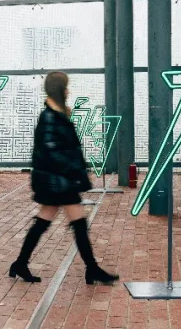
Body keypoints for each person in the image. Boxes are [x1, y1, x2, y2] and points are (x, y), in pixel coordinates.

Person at [8, 72, 120, 285]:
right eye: (66, 87)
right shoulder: (50, 117)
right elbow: (51, 151)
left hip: (57, 180)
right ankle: (92, 269)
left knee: (46, 222)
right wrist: (74, 170)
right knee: (76, 223)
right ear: (59, 90)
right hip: (58, 180)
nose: (68, 91)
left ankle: (21, 263)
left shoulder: (56, 114)